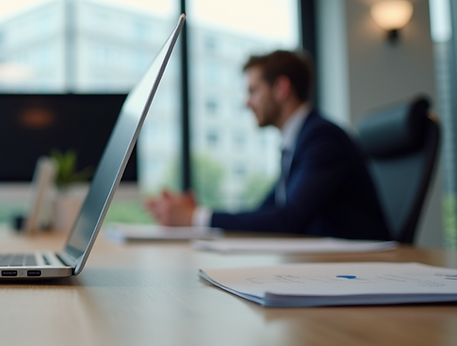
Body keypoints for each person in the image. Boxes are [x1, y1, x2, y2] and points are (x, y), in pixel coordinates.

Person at [145, 50, 390, 240]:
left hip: (363, 266)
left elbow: (289, 219)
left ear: (281, 89)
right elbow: (264, 213)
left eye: (253, 91)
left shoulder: (322, 138)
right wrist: (199, 212)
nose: (247, 103)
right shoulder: (298, 141)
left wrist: (196, 218)